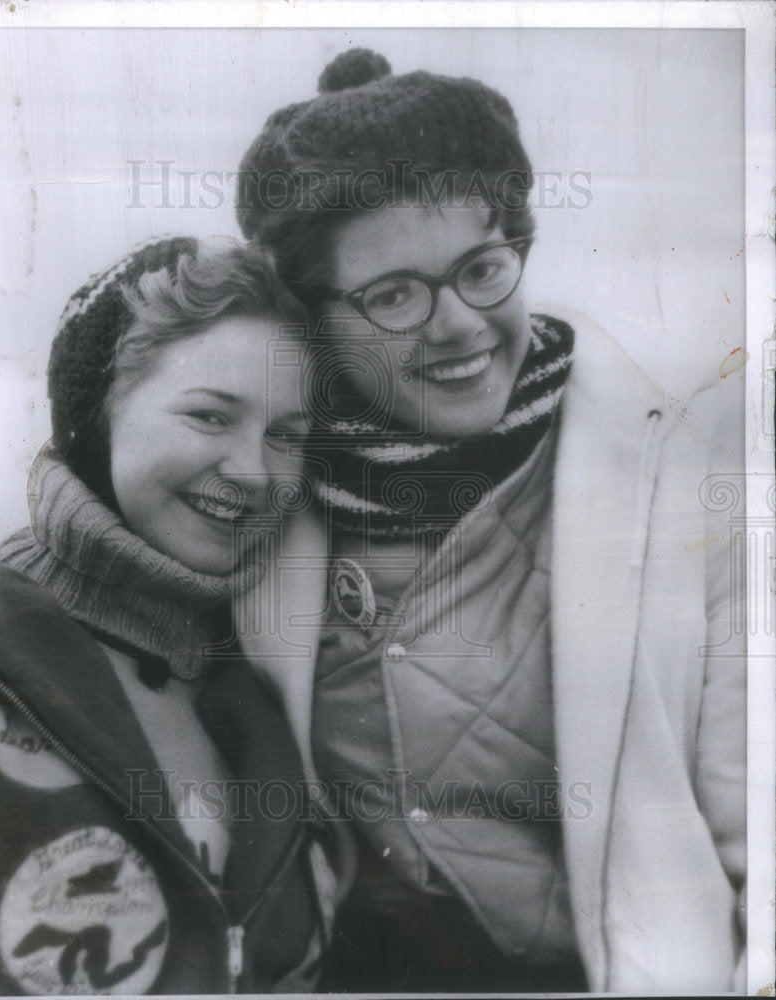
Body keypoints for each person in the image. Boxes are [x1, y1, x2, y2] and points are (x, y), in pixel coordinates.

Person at [235, 49, 747, 993]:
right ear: (314, 321)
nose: (459, 325)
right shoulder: (260, 499)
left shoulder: (680, 476)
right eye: (393, 295)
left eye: (482, 267)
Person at [0, 236, 344, 995]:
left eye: (284, 436)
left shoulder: (266, 689)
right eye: (211, 417)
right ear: (97, 414)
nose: (254, 470)